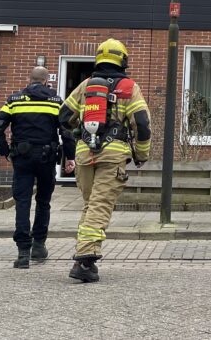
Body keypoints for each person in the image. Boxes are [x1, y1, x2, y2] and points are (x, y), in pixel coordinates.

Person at [59, 39, 151, 283]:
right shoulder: (129, 87)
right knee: (99, 205)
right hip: (113, 155)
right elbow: (141, 124)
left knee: (91, 205)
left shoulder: (86, 85)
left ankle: (85, 257)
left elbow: (64, 116)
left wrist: (79, 131)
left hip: (84, 154)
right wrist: (141, 155)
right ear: (123, 60)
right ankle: (85, 258)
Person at [0, 65, 75, 269]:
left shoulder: (15, 100)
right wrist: (70, 158)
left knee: (22, 203)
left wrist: (5, 152)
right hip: (47, 159)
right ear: (47, 81)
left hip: (22, 158)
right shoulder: (56, 102)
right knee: (43, 202)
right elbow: (67, 131)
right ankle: (39, 246)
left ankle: (22, 254)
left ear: (30, 80)